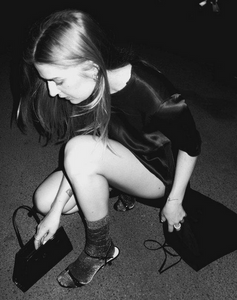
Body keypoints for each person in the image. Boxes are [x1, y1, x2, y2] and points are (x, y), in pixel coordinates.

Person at [17, 9, 201, 288]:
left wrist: (174, 200)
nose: (52, 92)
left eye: (57, 80)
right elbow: (84, 147)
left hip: (156, 175)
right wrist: (54, 212)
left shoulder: (153, 92)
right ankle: (113, 187)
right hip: (110, 159)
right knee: (43, 201)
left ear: (91, 67)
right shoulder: (87, 86)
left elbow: (191, 145)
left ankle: (100, 249)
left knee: (79, 151)